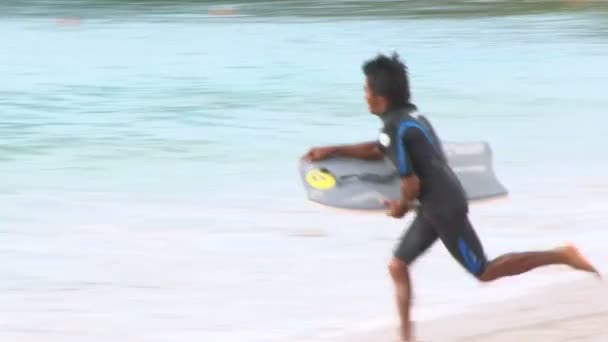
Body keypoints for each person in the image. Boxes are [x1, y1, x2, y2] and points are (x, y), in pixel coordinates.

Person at [301, 52, 600, 342]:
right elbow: (379, 148)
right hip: (437, 201)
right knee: (397, 265)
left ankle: (562, 255)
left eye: (366, 88)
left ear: (381, 96)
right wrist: (333, 150)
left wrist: (399, 208)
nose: (363, 94)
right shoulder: (409, 117)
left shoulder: (395, 127)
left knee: (483, 270)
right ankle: (405, 338)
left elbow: (411, 184)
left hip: (442, 206)